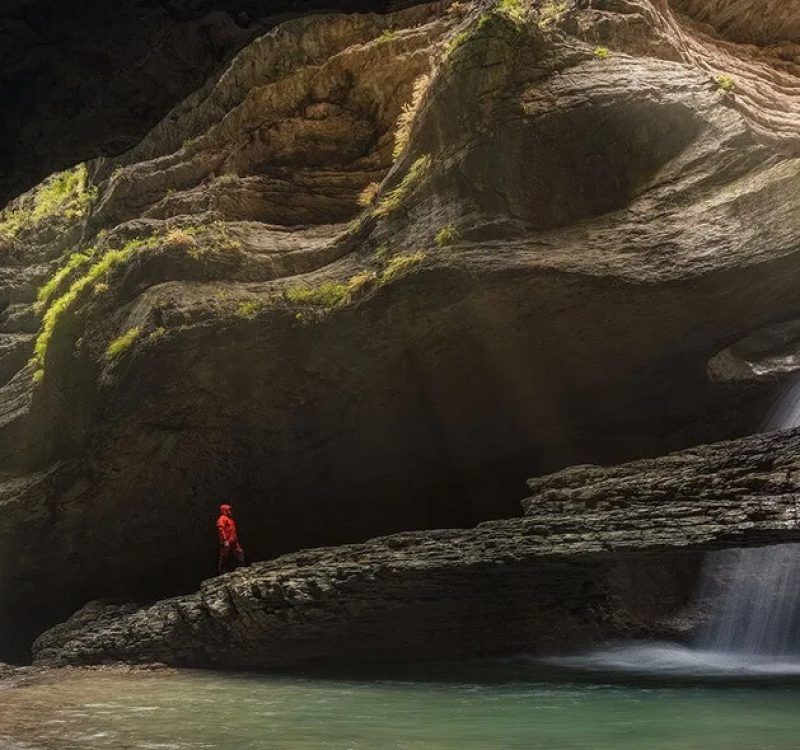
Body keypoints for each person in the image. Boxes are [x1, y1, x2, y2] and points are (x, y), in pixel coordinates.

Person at [216, 503, 245, 575]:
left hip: (233, 541)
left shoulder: (230, 519)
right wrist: (225, 540)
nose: (230, 511)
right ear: (224, 510)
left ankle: (241, 567)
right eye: (228, 510)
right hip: (227, 541)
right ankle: (222, 571)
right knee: (224, 555)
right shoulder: (222, 519)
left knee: (239, 552)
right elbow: (221, 529)